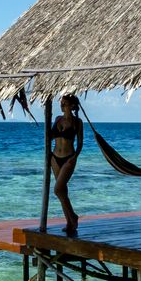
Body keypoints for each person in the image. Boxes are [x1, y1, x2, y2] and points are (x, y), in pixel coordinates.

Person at [49, 95, 84, 234]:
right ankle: (70, 222)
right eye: (62, 104)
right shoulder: (58, 119)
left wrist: (75, 157)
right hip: (55, 157)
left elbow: (80, 143)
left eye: (65, 104)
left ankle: (73, 216)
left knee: (57, 189)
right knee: (63, 191)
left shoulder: (78, 122)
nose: (63, 106)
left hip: (69, 158)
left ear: (72, 106)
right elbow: (50, 136)